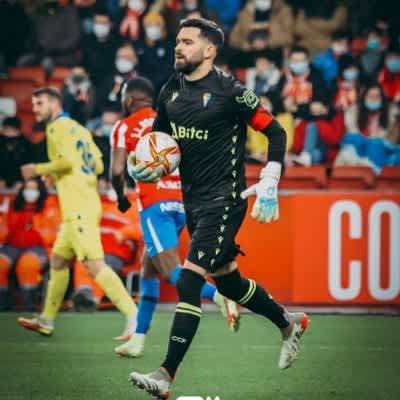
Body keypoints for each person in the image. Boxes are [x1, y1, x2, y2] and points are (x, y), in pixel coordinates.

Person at [126, 18, 309, 399]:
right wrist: (141, 163)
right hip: (193, 201)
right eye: (178, 41)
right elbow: (159, 142)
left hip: (226, 199)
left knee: (189, 280)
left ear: (209, 51)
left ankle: (165, 374)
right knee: (228, 282)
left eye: (187, 42)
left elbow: (275, 131)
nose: (178, 47)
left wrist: (271, 176)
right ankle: (288, 322)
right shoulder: (170, 91)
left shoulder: (231, 92)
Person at [109, 76, 240, 358]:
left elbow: (117, 171)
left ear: (129, 99)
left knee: (170, 270)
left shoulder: (124, 126)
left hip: (155, 205)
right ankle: (138, 339)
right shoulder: (170, 120)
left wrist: (121, 198)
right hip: (182, 202)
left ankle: (220, 296)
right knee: (148, 269)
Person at [17, 87, 138, 339]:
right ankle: (46, 320)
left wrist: (37, 169)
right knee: (58, 261)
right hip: (83, 204)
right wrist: (59, 174)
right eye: (34, 104)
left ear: (55, 103)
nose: (35, 109)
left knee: (94, 265)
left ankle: (134, 316)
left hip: (78, 208)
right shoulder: (80, 129)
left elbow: (68, 162)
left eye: (40, 103)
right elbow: (98, 165)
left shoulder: (56, 128)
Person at [0, 178, 58, 311]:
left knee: (27, 264)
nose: (30, 191)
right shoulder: (14, 206)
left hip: (39, 247)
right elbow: (5, 229)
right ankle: (3, 303)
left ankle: (28, 303)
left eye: (34, 189)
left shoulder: (49, 206)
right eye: (27, 188)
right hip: (12, 247)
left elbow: (54, 233)